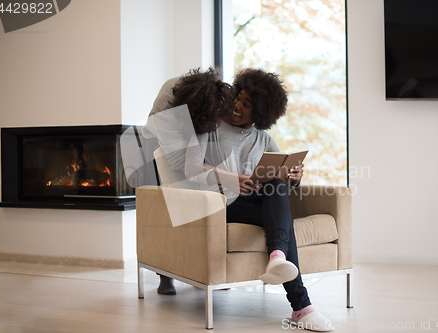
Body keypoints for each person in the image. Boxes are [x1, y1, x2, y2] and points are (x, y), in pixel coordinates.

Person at [183, 68, 334, 331]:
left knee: (277, 185)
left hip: (251, 202)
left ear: (261, 113)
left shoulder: (264, 139)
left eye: (247, 104)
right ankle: (302, 307)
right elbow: (191, 168)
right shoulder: (210, 125)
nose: (237, 105)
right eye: (237, 97)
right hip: (220, 205)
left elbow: (283, 175)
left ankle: (278, 258)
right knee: (283, 223)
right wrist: (230, 178)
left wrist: (294, 176)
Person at [141, 67, 233, 295]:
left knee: (202, 196)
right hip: (160, 145)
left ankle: (198, 270)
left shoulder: (212, 90)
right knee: (175, 203)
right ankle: (166, 274)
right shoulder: (167, 105)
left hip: (193, 133)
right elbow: (180, 164)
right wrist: (212, 174)